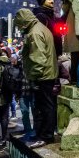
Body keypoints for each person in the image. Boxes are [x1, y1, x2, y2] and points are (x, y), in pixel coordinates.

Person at [14, 8, 58, 149]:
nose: (20, 27)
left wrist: (36, 78)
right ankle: (42, 133)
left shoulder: (34, 33)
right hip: (47, 74)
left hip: (43, 75)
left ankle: (45, 135)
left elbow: (38, 58)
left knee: (44, 107)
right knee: (45, 106)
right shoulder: (40, 28)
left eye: (20, 24)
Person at [61, 0, 79, 84]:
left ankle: (77, 78)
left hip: (77, 20)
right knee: (76, 52)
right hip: (74, 20)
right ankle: (76, 78)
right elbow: (65, 6)